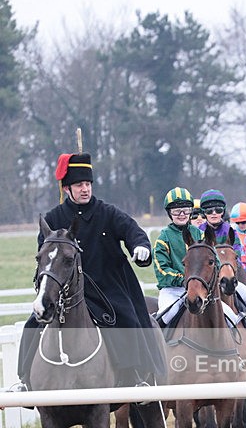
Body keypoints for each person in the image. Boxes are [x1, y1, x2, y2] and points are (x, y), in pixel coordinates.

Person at [16, 151, 164, 391]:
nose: (85, 189)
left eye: (87, 184)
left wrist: (141, 246)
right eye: (78, 185)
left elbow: (132, 230)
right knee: (33, 323)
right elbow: (45, 257)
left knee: (127, 317)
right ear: (67, 189)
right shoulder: (53, 218)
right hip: (66, 290)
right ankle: (25, 381)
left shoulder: (108, 212)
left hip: (107, 287)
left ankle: (136, 376)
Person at [199, 189, 246, 349]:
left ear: (223, 211)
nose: (214, 213)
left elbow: (237, 251)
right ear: (204, 213)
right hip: (207, 281)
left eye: (218, 210)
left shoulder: (230, 230)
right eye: (209, 210)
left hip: (230, 275)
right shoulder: (199, 232)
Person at [152, 187, 202, 329]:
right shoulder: (163, 238)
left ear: (191, 211)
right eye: (176, 210)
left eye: (185, 209)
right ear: (169, 213)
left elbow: (213, 260)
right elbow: (162, 270)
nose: (181, 214)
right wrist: (183, 279)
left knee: (226, 313)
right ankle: (159, 346)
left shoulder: (200, 234)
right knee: (168, 315)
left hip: (200, 288)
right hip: (173, 290)